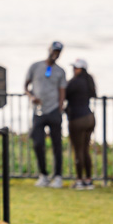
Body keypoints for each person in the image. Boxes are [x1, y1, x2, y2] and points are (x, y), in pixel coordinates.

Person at [26, 41, 67, 189]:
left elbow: (62, 91)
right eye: (54, 51)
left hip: (54, 110)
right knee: (38, 143)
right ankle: (43, 175)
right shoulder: (35, 66)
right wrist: (31, 97)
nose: (55, 54)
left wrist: (60, 107)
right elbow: (26, 86)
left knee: (57, 145)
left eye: (58, 52)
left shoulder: (60, 71)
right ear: (49, 50)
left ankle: (58, 176)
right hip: (38, 111)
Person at [66, 58, 97, 190]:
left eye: (75, 68)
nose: (73, 70)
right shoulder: (88, 81)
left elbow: (63, 93)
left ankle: (79, 180)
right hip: (89, 117)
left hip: (77, 119)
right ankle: (88, 180)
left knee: (78, 150)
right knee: (85, 150)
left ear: (80, 69)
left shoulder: (74, 82)